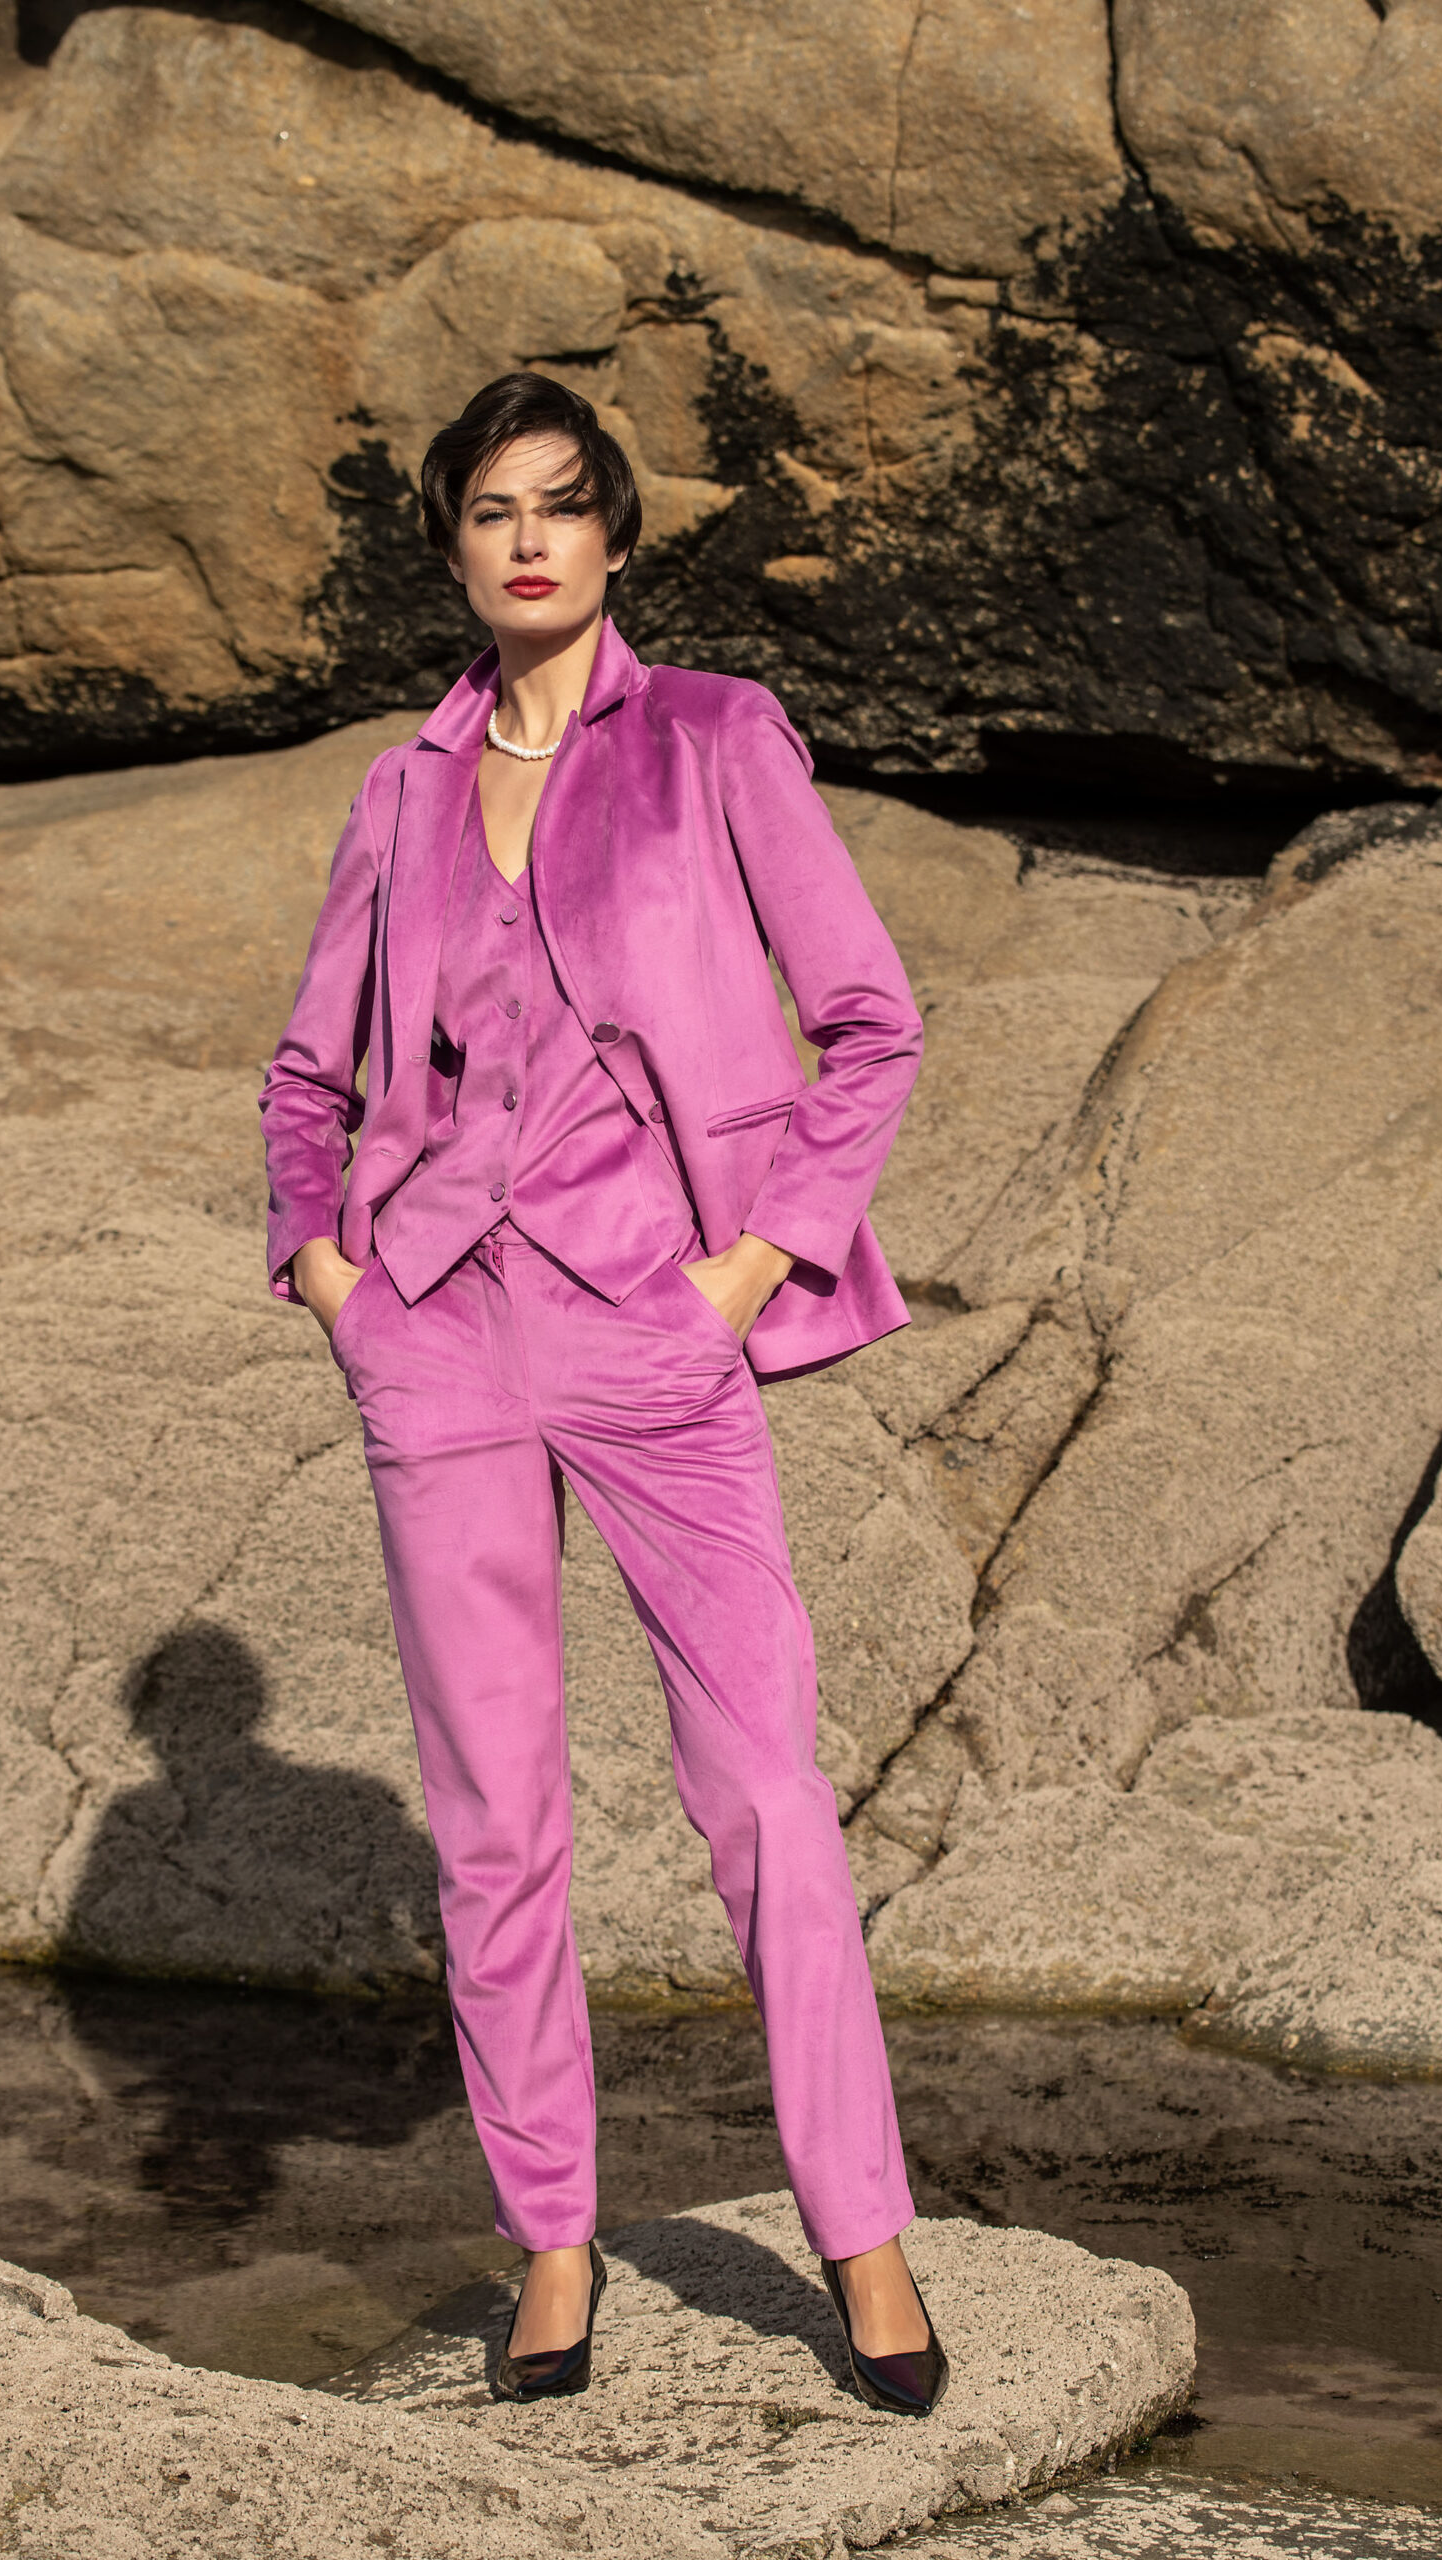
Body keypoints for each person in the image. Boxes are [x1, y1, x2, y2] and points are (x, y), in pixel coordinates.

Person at [259, 371, 945, 2415]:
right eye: (492, 511)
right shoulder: (398, 792)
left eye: (562, 506)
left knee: (764, 1794)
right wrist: (330, 1272)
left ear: (617, 538)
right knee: (493, 1820)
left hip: (656, 1318)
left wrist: (754, 1263)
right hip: (436, 1331)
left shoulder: (715, 735)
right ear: (453, 549)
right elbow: (305, 1077)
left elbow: (871, 1022)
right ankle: (552, 2242)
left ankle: (864, 2239)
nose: (529, 540)